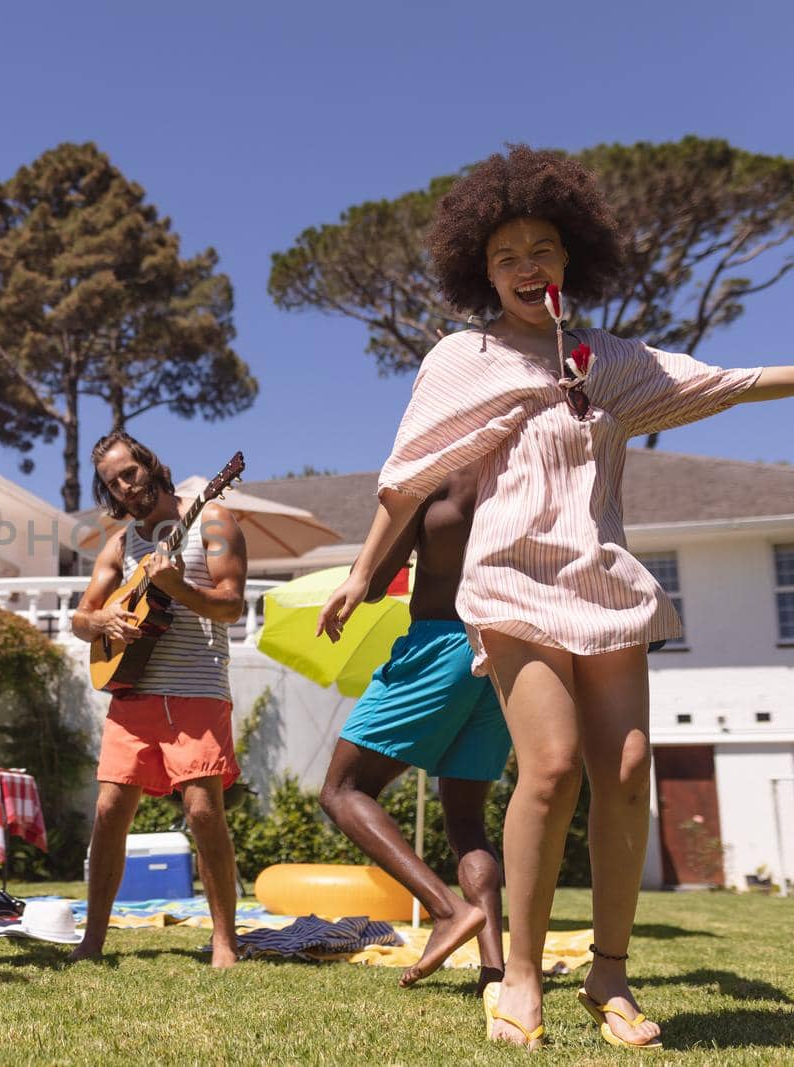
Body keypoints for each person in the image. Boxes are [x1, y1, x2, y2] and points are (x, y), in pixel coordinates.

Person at [318, 145, 794, 1050]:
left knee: (626, 767)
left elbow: (723, 385)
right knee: (553, 762)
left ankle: (608, 978)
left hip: (603, 581)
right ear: (483, 275)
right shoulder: (465, 357)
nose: (526, 264)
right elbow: (406, 481)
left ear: (570, 258)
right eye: (505, 256)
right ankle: (522, 978)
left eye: (541, 247)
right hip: (510, 582)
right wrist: (360, 571)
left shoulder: (608, 361)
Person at [317, 464, 508, 993]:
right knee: (467, 819)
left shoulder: (436, 467)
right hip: (505, 653)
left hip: (441, 644)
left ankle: (446, 909)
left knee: (342, 789)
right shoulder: (522, 455)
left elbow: (376, 582)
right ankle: (495, 971)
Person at [68, 431, 248, 967]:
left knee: (202, 811)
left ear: (151, 465)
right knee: (107, 811)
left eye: (129, 472)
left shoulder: (213, 521)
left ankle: (224, 940)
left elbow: (231, 605)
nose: (126, 487)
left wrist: (178, 589)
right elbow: (81, 618)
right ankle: (93, 940)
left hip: (197, 687)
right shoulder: (121, 543)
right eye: (113, 484)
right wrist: (104, 620)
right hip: (133, 691)